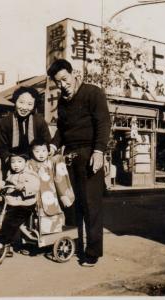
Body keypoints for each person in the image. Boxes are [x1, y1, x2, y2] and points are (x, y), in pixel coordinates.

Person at [47, 59, 111, 267]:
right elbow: (61, 132)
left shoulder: (93, 93)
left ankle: (92, 252)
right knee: (73, 205)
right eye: (58, 82)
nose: (62, 85)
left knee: (91, 206)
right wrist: (53, 146)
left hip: (90, 154)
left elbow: (103, 122)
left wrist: (99, 151)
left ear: (73, 74)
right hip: (70, 157)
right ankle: (76, 244)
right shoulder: (63, 103)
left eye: (64, 79)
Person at [0, 151, 40, 254]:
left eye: (19, 162)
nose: (16, 165)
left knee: (11, 221)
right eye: (13, 162)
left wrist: (24, 186)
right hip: (12, 203)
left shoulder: (30, 174)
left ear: (26, 162)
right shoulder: (10, 174)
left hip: (25, 205)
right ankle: (5, 244)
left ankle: (0, 244)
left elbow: (35, 186)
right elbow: (5, 183)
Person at [0, 86, 51, 180]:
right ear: (15, 101)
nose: (24, 107)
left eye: (30, 104)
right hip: (12, 166)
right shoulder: (5, 122)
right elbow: (1, 148)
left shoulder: (39, 121)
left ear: (34, 106)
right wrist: (12, 161)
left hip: (35, 166)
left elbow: (46, 143)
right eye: (21, 102)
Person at [28, 138, 75, 234]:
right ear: (32, 152)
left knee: (54, 210)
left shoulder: (51, 161)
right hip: (37, 194)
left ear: (48, 151)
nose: (41, 154)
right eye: (37, 151)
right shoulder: (30, 163)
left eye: (44, 151)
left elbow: (59, 161)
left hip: (51, 194)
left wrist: (64, 158)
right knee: (37, 212)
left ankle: (54, 229)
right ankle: (40, 231)